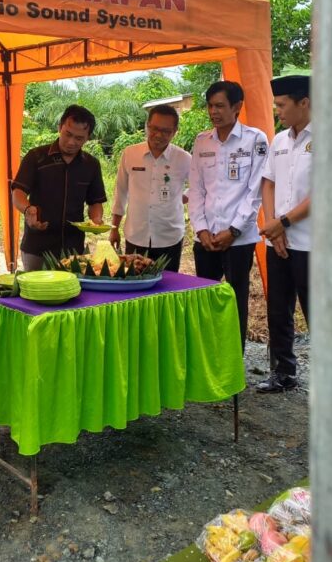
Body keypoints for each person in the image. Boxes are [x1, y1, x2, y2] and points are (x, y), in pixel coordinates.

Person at [188, 80, 268, 349]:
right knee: (205, 300)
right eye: (210, 106)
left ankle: (234, 360)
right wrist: (200, 230)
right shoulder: (202, 142)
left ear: (237, 107)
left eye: (220, 106)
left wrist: (233, 230)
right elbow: (196, 190)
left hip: (238, 240)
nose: (214, 112)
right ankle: (208, 356)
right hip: (206, 238)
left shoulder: (255, 140)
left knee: (236, 300)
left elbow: (254, 192)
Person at [256, 74, 312, 393]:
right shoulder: (278, 140)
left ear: (304, 103)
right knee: (278, 309)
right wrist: (274, 226)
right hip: (278, 241)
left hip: (311, 243)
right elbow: (269, 182)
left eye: (282, 104)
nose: (277, 110)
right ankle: (284, 372)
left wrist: (285, 222)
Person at [11, 104, 107, 270]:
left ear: (88, 137)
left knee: (70, 292)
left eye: (79, 138)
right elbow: (18, 192)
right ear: (59, 127)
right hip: (37, 246)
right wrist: (28, 210)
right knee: (37, 293)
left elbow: (95, 201)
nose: (71, 142)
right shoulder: (36, 157)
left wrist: (96, 219)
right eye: (67, 134)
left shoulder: (91, 164)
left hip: (73, 249)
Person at [109, 104, 190, 271]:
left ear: (175, 131)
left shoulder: (184, 159)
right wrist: (114, 228)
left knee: (167, 287)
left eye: (166, 131)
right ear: (147, 125)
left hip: (170, 236)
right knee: (135, 286)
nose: (158, 135)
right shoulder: (130, 153)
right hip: (136, 234)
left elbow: (200, 188)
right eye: (154, 128)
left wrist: (183, 197)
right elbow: (120, 192)